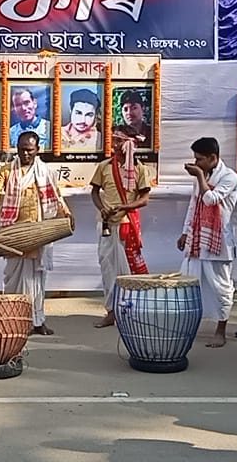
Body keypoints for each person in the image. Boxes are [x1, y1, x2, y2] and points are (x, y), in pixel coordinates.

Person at [0, 130, 70, 335]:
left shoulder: (45, 171)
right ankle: (14, 319)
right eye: (22, 150)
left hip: (39, 232)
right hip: (15, 234)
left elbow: (57, 196)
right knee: (13, 276)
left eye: (29, 150)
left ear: (37, 150)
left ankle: (37, 321)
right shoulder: (7, 170)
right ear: (17, 149)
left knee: (37, 279)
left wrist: (67, 212)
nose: (25, 154)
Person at [177, 137, 237, 349]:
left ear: (213, 158)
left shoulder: (229, 177)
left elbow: (210, 199)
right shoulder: (201, 176)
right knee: (189, 284)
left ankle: (221, 330)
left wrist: (201, 176)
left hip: (218, 241)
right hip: (196, 239)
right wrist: (185, 232)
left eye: (200, 159)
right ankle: (189, 326)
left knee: (220, 286)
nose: (196, 163)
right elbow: (193, 205)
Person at [90, 127, 152, 329]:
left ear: (130, 144)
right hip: (106, 224)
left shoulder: (141, 169)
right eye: (113, 141)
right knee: (107, 268)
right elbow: (94, 192)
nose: (115, 145)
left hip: (127, 225)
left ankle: (130, 311)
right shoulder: (104, 166)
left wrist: (124, 207)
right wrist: (103, 209)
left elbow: (144, 199)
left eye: (119, 141)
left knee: (127, 271)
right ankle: (111, 311)